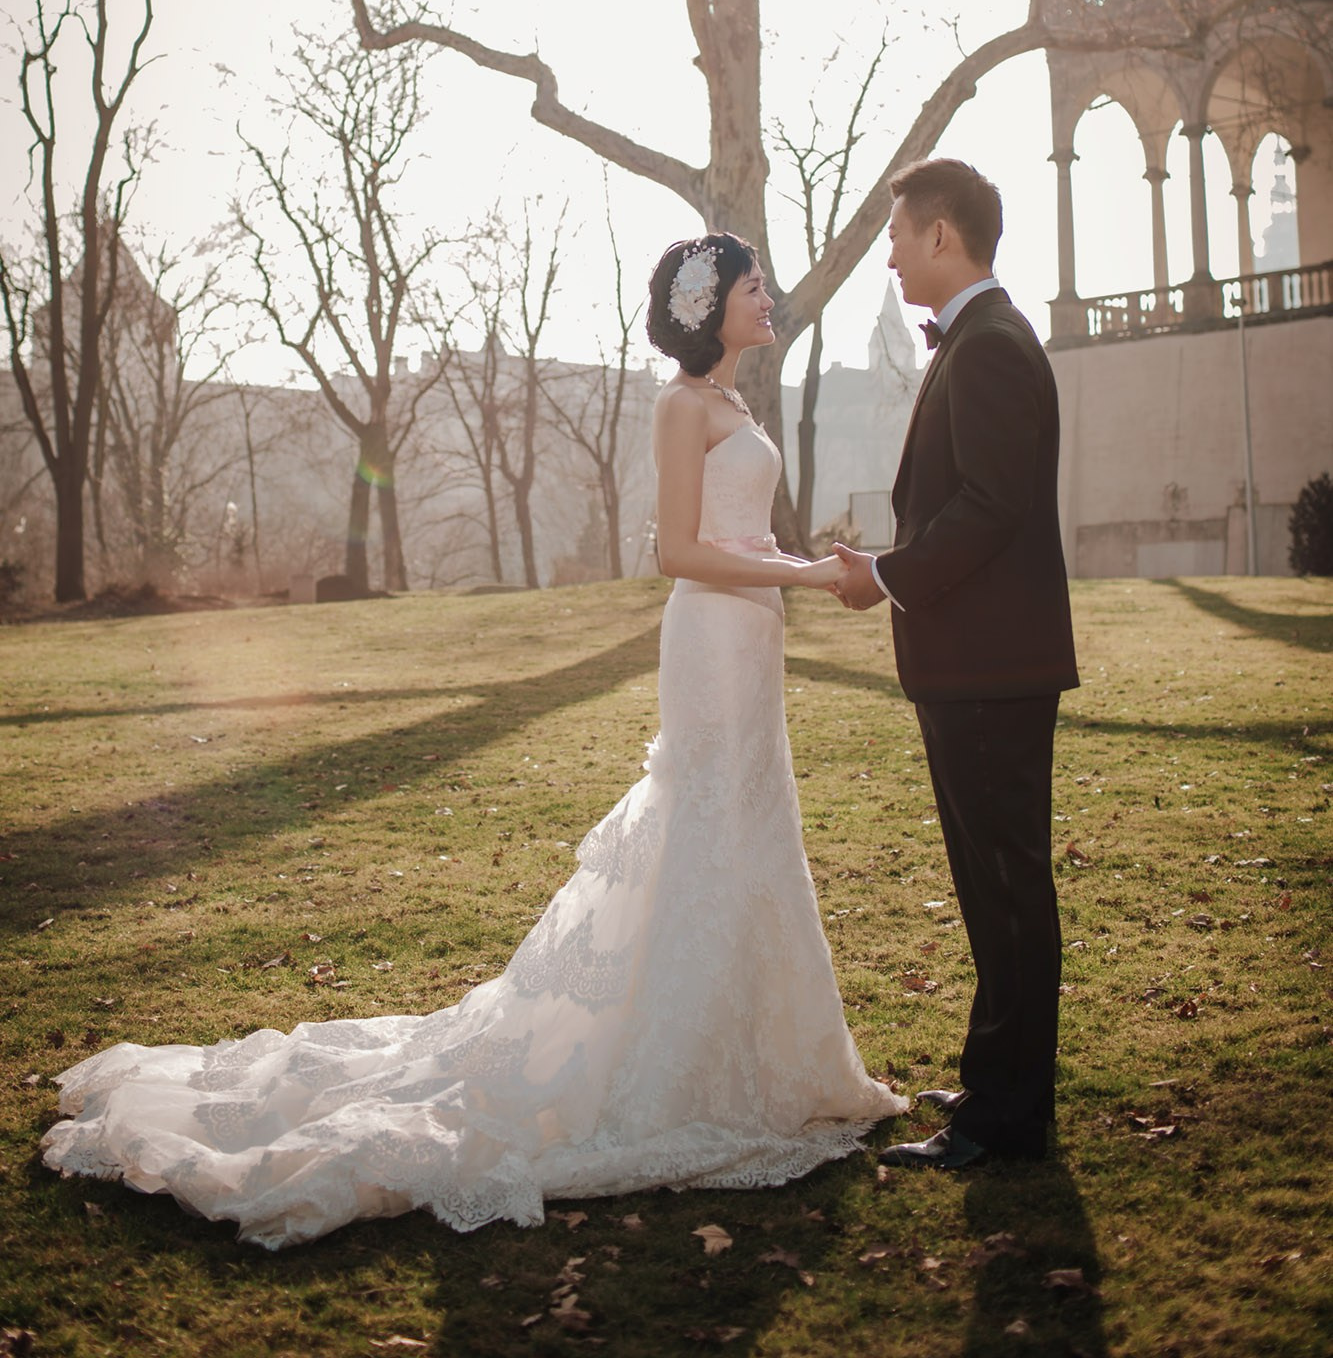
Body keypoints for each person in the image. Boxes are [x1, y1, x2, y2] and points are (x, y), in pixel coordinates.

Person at [41, 231, 906, 1249]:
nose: (768, 296)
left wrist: (809, 567)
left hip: (751, 635)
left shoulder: (737, 406)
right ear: (704, 302)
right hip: (711, 639)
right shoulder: (679, 404)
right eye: (752, 284)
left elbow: (740, 537)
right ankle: (678, 1063)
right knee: (705, 819)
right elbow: (675, 547)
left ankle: (776, 1056)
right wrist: (807, 577)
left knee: (753, 823)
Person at [832, 158, 1078, 1170]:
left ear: (941, 236)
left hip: (989, 667)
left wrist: (883, 574)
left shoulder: (989, 346)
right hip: (969, 664)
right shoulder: (975, 340)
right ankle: (995, 1079)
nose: (886, 252)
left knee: (1009, 887)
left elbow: (989, 505)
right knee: (989, 885)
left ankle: (1004, 1118)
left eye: (896, 234)